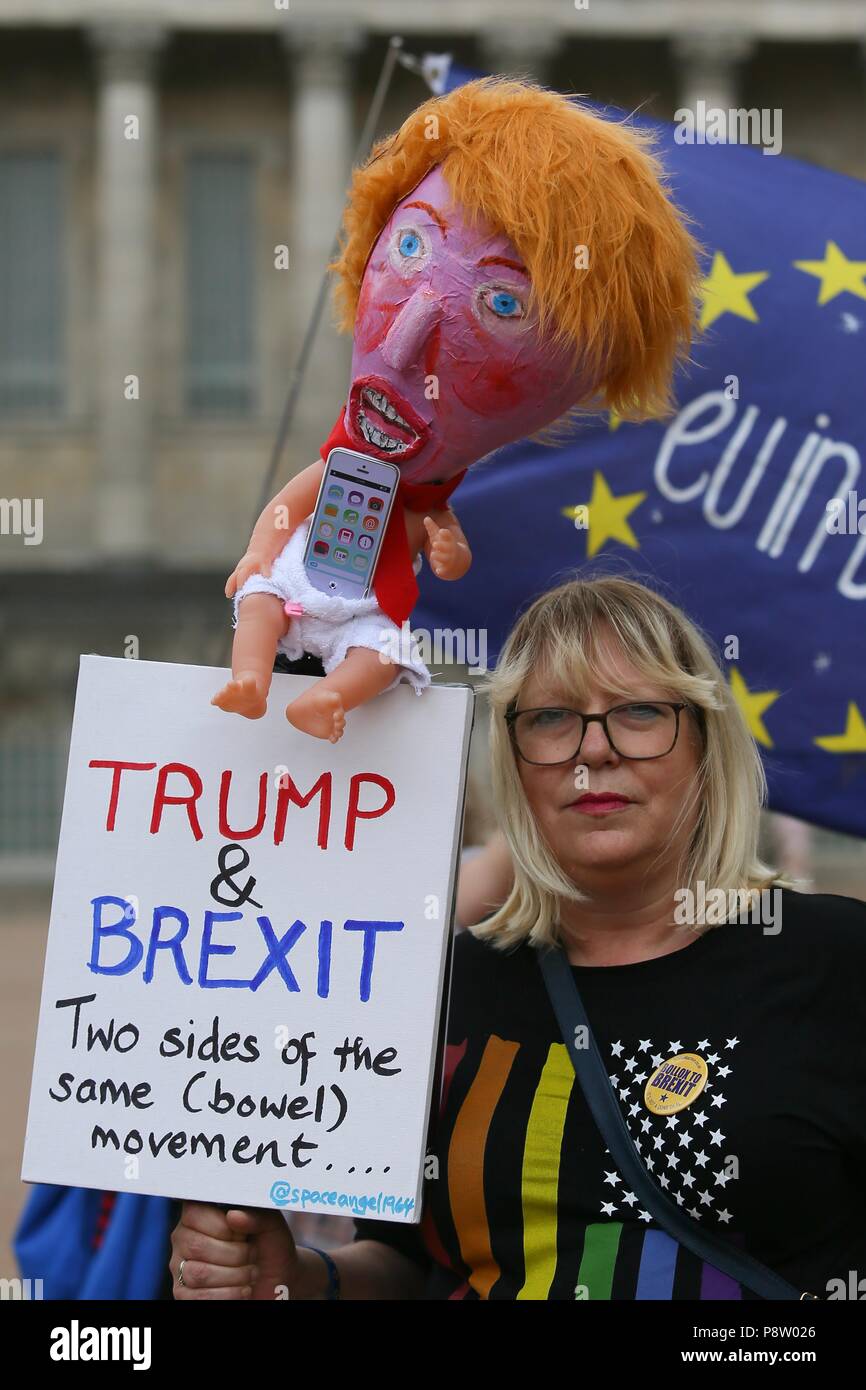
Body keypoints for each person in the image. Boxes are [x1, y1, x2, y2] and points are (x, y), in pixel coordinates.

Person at [170, 575, 866, 1300]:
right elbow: (410, 1264)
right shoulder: (440, 989)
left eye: (637, 712)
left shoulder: (835, 962)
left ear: (703, 741)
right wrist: (302, 1282)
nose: (592, 752)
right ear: (511, 756)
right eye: (552, 719)